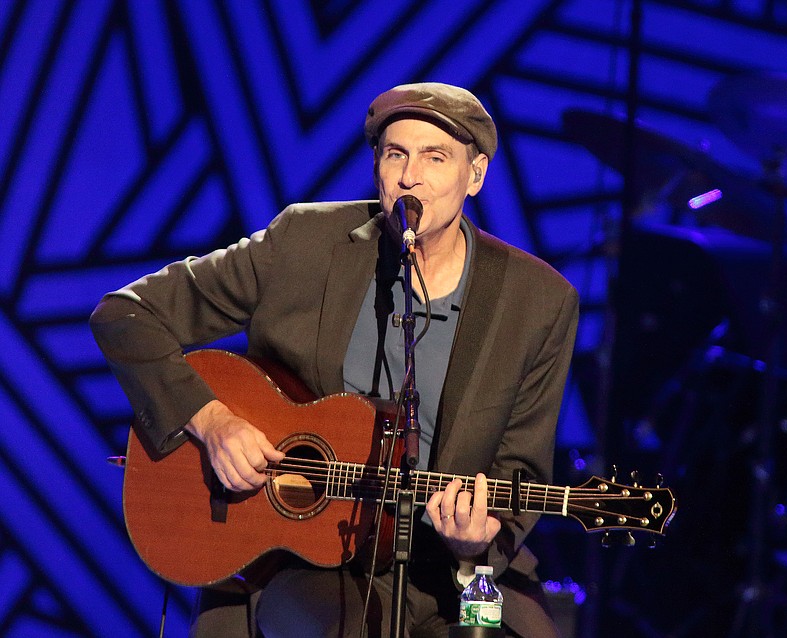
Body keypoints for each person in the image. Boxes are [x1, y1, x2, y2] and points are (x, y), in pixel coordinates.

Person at [90, 82, 579, 638]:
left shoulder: (538, 301)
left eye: (435, 157)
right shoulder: (305, 241)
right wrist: (211, 419)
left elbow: (520, 471)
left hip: (452, 567)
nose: (410, 176)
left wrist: (477, 539)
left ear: (476, 175)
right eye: (396, 154)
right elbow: (126, 315)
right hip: (301, 558)